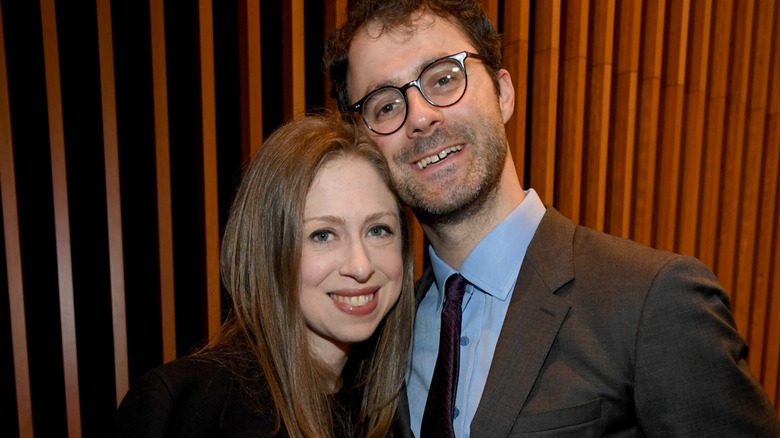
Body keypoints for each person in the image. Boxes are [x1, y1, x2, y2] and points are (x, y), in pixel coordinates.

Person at [323, 1, 780, 436]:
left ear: (503, 93)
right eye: (386, 105)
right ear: (367, 146)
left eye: (444, 79)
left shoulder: (653, 302)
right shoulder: (380, 337)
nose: (420, 117)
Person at [111, 114, 416, 437]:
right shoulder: (183, 408)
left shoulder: (395, 411)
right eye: (323, 235)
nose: (360, 265)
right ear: (269, 249)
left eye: (378, 229)